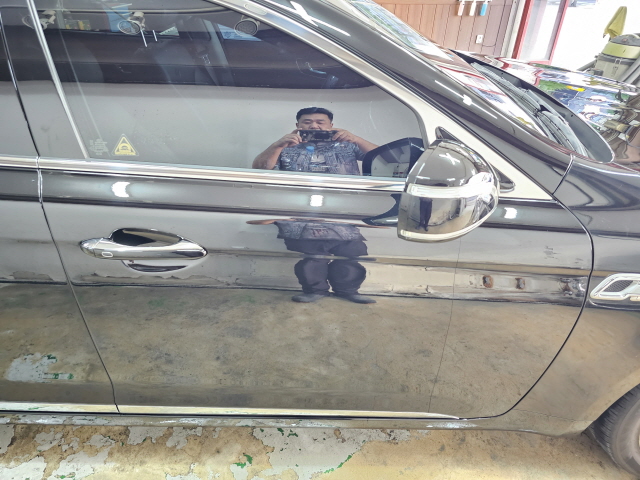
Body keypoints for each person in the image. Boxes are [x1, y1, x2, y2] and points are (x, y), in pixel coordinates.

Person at [252, 107, 378, 174]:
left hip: (344, 194)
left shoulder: (348, 144)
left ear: (331, 125)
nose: (314, 126)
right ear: (297, 125)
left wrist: (357, 139)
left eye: (320, 122)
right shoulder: (285, 145)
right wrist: (277, 146)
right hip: (294, 194)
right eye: (307, 122)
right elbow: (259, 169)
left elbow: (383, 159)